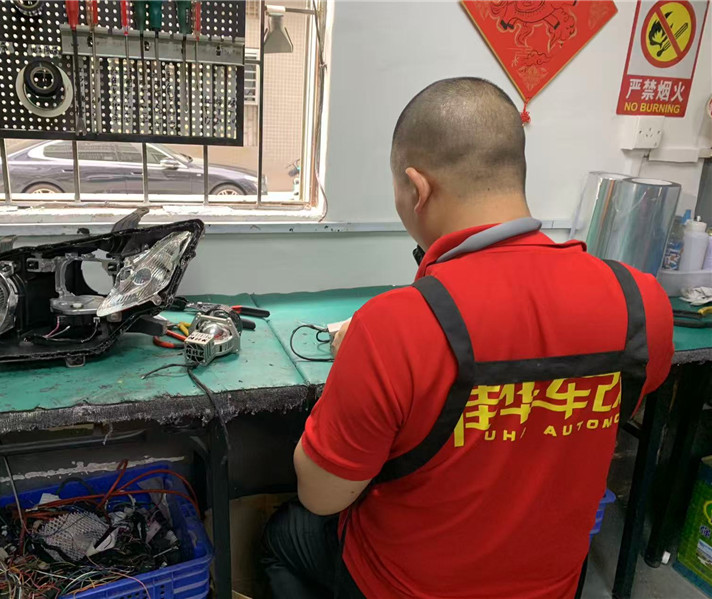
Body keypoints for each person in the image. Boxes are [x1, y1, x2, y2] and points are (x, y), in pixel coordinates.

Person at [262, 77, 674, 599]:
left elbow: (323, 497)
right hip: (552, 587)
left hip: (402, 586)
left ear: (417, 188)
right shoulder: (642, 303)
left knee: (283, 535)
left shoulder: (392, 326)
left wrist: (355, 367)